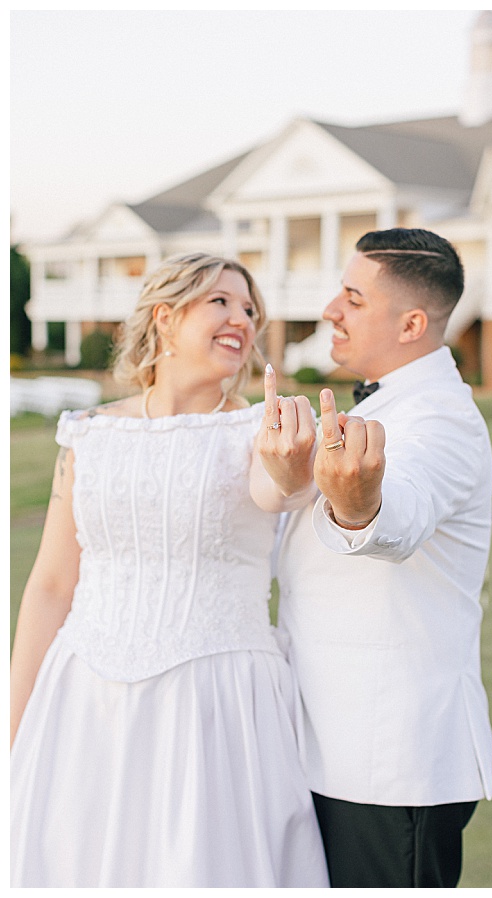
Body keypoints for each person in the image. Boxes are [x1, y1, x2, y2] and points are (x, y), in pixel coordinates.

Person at [9, 253, 329, 887]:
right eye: (222, 302)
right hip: (83, 702)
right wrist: (12, 727)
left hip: (215, 707)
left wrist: (294, 466)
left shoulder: (262, 430)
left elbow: (281, 491)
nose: (242, 317)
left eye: (249, 309)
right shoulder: (89, 433)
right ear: (165, 316)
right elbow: (49, 585)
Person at [261, 228, 492, 888]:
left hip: (390, 765)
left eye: (353, 297)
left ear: (412, 322)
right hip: (333, 750)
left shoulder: (441, 418)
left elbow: (403, 513)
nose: (331, 309)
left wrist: (358, 506)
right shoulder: (395, 400)